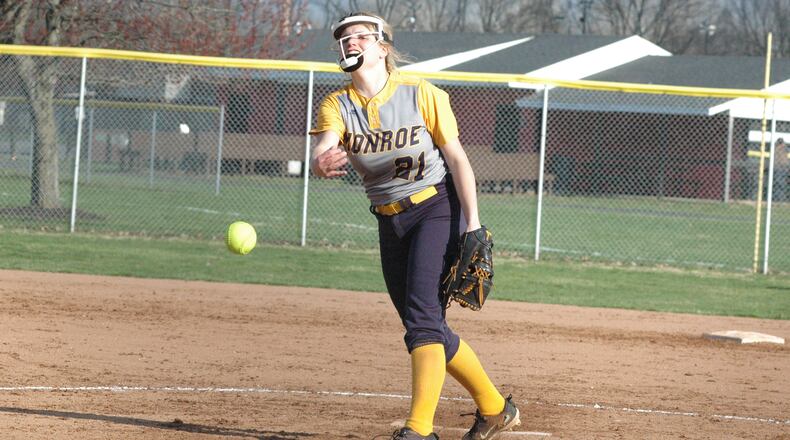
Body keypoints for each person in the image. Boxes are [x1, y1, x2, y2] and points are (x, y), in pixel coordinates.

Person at [309, 11, 520, 440]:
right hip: (390, 221)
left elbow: (458, 160)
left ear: (382, 47)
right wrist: (321, 160)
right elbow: (325, 146)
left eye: (359, 36)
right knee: (425, 325)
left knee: (423, 322)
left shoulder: (422, 94)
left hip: (437, 209)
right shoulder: (338, 104)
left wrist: (473, 226)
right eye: (343, 39)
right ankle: (496, 409)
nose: (349, 43)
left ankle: (418, 430)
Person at [773, 138, 789, 202]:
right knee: (780, 183)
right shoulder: (781, 148)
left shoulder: (777, 148)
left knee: (780, 183)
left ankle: (779, 198)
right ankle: (779, 199)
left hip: (781, 168)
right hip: (780, 168)